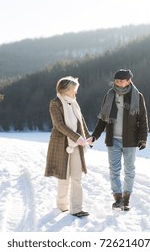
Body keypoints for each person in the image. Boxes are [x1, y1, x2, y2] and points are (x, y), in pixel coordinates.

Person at [91, 69, 148, 211]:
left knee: (129, 170)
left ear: (129, 81)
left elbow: (143, 119)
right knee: (114, 171)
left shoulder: (137, 96)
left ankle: (126, 199)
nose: (118, 82)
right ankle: (117, 199)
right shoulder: (109, 95)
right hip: (113, 139)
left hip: (131, 140)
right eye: (116, 80)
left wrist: (143, 138)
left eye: (121, 80)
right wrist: (94, 136)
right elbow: (102, 119)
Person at [45, 76, 93, 218]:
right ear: (65, 90)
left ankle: (76, 209)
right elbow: (59, 125)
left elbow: (81, 122)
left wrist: (87, 136)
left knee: (77, 177)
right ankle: (62, 205)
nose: (75, 93)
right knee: (64, 177)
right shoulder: (55, 103)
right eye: (74, 90)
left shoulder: (74, 103)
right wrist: (77, 138)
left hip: (76, 145)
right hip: (61, 144)